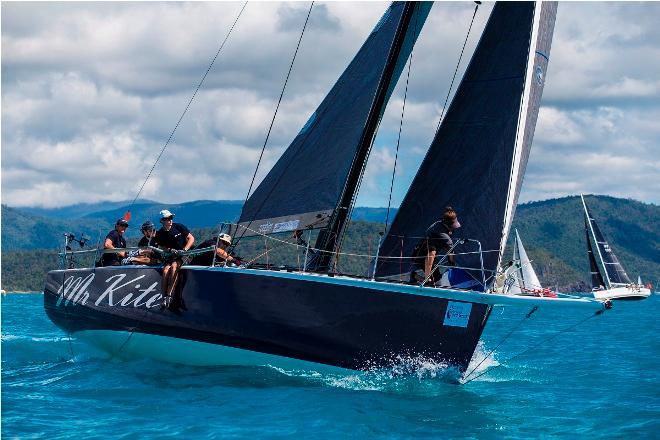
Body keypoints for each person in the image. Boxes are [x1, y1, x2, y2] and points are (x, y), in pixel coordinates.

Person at [410, 206, 461, 285]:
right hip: (421, 258)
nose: (454, 229)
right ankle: (426, 280)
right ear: (448, 226)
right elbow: (450, 253)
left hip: (417, 253)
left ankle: (414, 276)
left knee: (437, 278)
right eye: (453, 227)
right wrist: (452, 264)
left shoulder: (438, 224)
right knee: (432, 250)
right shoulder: (445, 237)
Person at [155, 210, 195, 308]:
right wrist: (169, 249)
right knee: (165, 270)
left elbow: (191, 238)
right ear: (162, 221)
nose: (170, 220)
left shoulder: (179, 227)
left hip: (184, 254)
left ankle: (169, 295)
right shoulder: (160, 233)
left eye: (171, 218)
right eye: (167, 219)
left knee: (174, 266)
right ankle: (163, 297)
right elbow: (161, 245)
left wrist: (185, 249)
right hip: (172, 255)